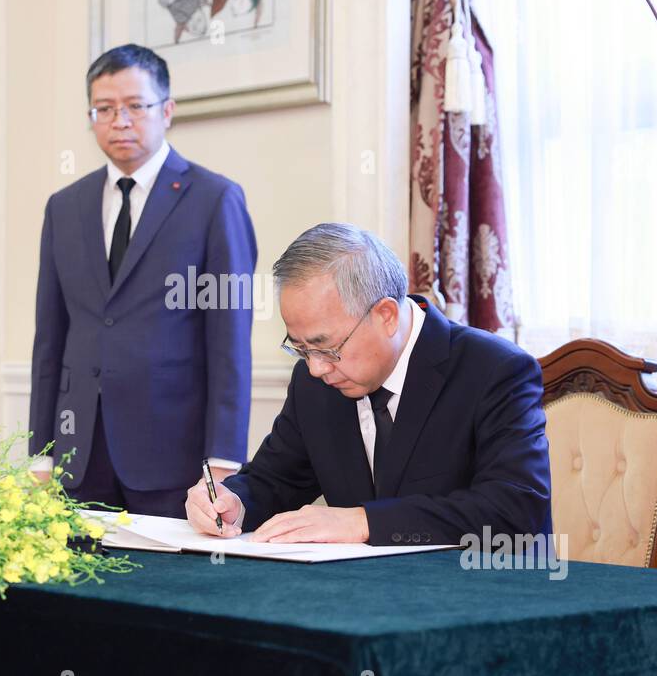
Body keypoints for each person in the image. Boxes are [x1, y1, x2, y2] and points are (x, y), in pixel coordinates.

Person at [184, 222, 551, 545]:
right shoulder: (315, 383)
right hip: (361, 599)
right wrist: (233, 502)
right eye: (300, 348)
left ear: (386, 316)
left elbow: (516, 510)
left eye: (326, 347)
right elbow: (275, 479)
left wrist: (363, 522)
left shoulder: (495, 371)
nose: (314, 368)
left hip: (478, 598)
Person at [30, 44, 257, 517]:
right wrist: (42, 451)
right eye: (105, 109)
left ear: (167, 110)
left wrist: (223, 459)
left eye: (136, 106)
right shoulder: (64, 207)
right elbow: (49, 341)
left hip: (173, 457)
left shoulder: (215, 200)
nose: (121, 120)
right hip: (80, 452)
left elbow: (230, 340)